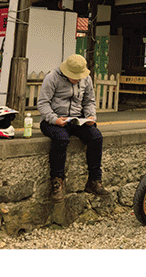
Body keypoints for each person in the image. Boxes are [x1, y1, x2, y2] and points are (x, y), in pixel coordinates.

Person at [37, 53, 110, 202]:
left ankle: (94, 180)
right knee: (61, 139)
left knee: (96, 137)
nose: (77, 79)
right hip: (54, 120)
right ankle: (57, 181)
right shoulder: (52, 77)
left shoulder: (86, 79)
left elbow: (89, 101)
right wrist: (54, 119)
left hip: (77, 120)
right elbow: (43, 103)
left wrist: (90, 117)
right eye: (74, 76)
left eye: (79, 77)